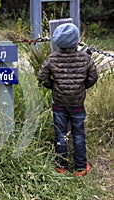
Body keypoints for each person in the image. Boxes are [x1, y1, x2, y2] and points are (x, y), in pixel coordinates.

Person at [37, 23, 98, 176]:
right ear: (77, 40)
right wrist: (82, 87)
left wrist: (53, 87)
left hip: (59, 103)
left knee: (60, 134)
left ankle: (60, 166)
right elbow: (93, 77)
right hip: (77, 103)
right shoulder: (85, 58)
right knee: (78, 134)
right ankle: (80, 167)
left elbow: (42, 77)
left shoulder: (52, 58)